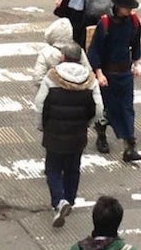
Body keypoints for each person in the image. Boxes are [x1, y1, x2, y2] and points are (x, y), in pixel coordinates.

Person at [35, 42, 103, 228]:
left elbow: (40, 105)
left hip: (54, 132)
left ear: (63, 57)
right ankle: (70, 199)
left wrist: (41, 126)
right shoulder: (90, 79)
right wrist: (87, 123)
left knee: (53, 168)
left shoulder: (52, 76)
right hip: (78, 133)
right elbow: (98, 109)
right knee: (73, 167)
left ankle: (59, 200)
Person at [87, 0, 141, 162]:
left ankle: (130, 146)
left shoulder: (134, 22)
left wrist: (135, 63)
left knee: (127, 108)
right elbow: (95, 49)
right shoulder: (105, 23)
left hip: (125, 72)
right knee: (105, 109)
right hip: (108, 73)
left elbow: (135, 44)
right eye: (125, 7)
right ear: (117, 6)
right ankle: (102, 136)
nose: (128, 10)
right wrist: (98, 72)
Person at [32, 17, 92, 85]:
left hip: (52, 93)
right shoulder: (78, 50)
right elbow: (89, 72)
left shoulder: (46, 53)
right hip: (77, 91)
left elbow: (38, 78)